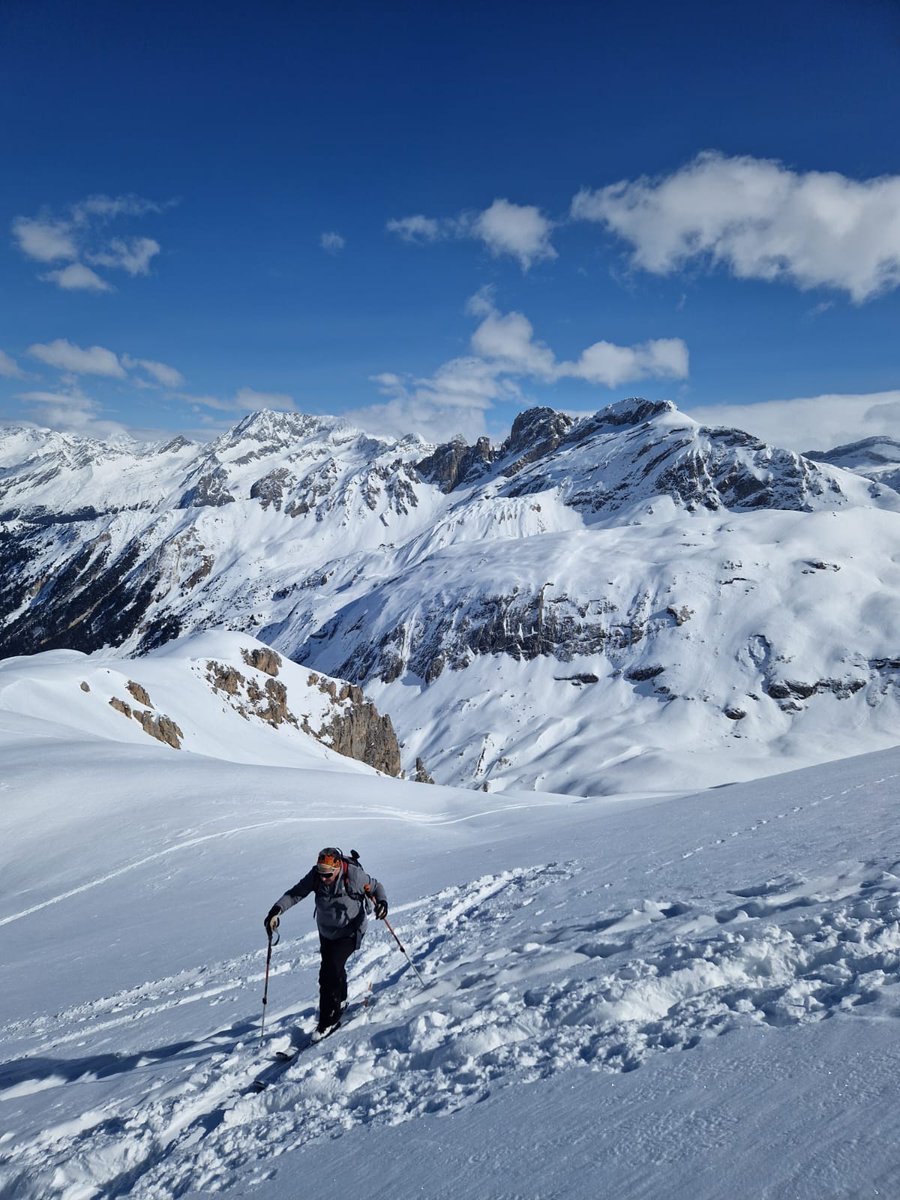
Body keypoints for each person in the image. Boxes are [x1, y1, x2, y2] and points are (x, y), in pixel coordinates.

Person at [264, 847, 388, 1034]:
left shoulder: (353, 875)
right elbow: (296, 893)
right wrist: (276, 910)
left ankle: (328, 1021)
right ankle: (342, 999)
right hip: (326, 931)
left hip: (351, 930)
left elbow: (376, 886)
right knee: (333, 967)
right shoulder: (316, 875)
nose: (323, 878)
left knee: (328, 973)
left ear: (337, 868)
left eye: (327, 874)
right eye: (321, 873)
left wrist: (382, 902)